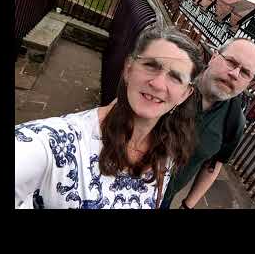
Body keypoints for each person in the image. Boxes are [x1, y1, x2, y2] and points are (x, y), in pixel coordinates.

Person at [15, 25, 204, 209]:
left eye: (175, 77)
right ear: (128, 69)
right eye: (151, 65)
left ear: (185, 95)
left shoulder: (166, 152)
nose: (158, 84)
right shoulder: (54, 143)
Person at [160, 37, 255, 209]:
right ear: (214, 57)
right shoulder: (176, 80)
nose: (235, 74)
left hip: (164, 199)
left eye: (245, 73)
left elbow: (213, 165)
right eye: (231, 62)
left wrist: (187, 205)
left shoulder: (234, 121)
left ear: (249, 82)